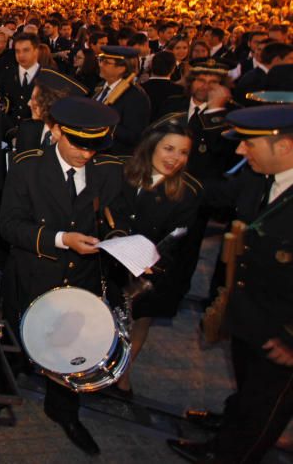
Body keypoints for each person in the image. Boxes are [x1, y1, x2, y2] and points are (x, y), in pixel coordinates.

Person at [0, 96, 123, 456]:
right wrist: (62, 240)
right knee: (11, 344)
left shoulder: (107, 170)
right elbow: (9, 227)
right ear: (57, 131)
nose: (85, 154)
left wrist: (118, 242)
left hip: (79, 282)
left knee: (69, 350)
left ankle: (63, 411)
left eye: (94, 147)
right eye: (78, 144)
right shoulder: (27, 168)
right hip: (31, 277)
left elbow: (115, 220)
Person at [168, 106, 293, 464]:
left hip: (282, 337)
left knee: (262, 414)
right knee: (246, 394)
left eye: (248, 144)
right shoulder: (260, 177)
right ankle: (221, 442)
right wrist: (161, 175)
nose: (240, 151)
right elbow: (215, 194)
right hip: (249, 317)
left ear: (283, 147)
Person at [107, 116, 201, 399]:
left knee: (139, 321)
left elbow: (180, 243)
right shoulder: (121, 170)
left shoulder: (188, 193)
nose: (175, 158)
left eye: (183, 152)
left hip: (149, 272)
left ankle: (122, 375)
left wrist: (151, 264)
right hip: (110, 261)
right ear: (151, 147)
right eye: (169, 149)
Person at [94, 45, 151, 155]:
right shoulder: (101, 87)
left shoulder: (135, 96)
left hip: (115, 157)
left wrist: (104, 122)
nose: (101, 65)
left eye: (106, 62)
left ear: (122, 68)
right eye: (101, 60)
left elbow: (134, 136)